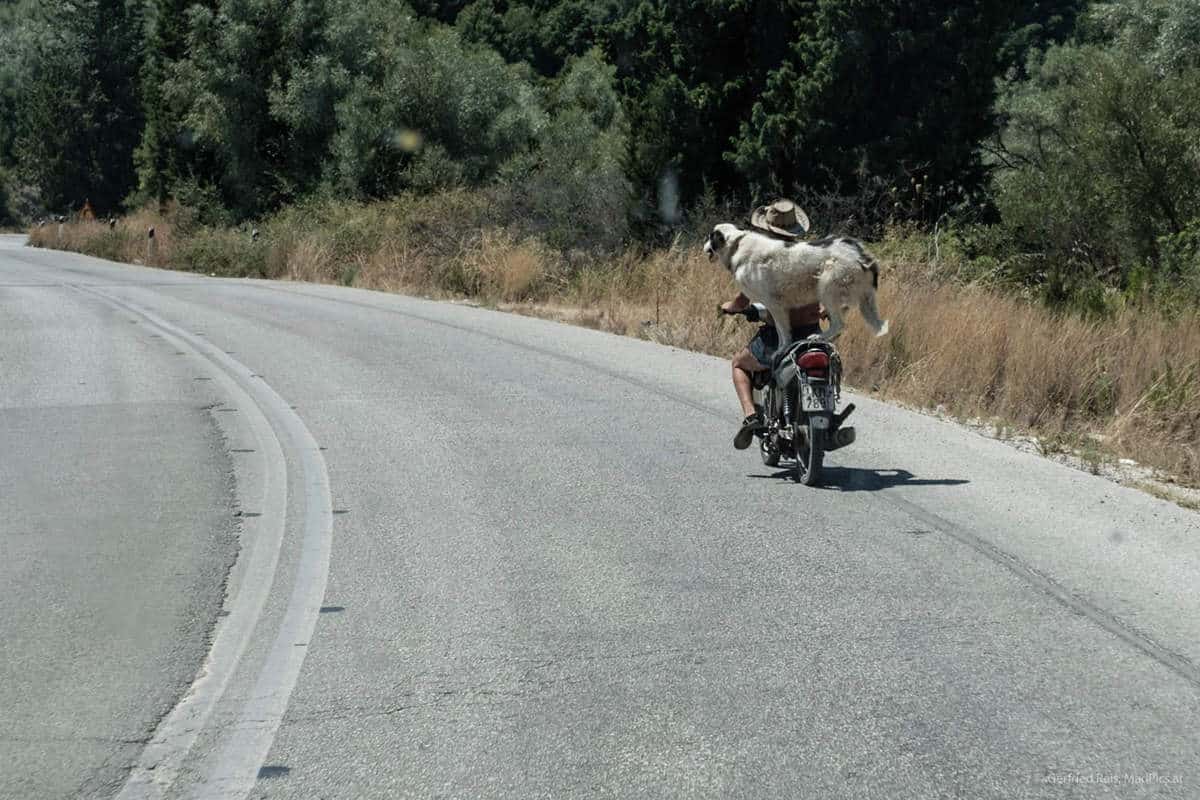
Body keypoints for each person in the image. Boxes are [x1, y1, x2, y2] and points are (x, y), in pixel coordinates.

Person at [723, 199, 820, 450]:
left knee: (739, 364)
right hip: (812, 334)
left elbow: (741, 299)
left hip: (780, 336)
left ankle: (750, 416)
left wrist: (730, 308)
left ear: (766, 230)